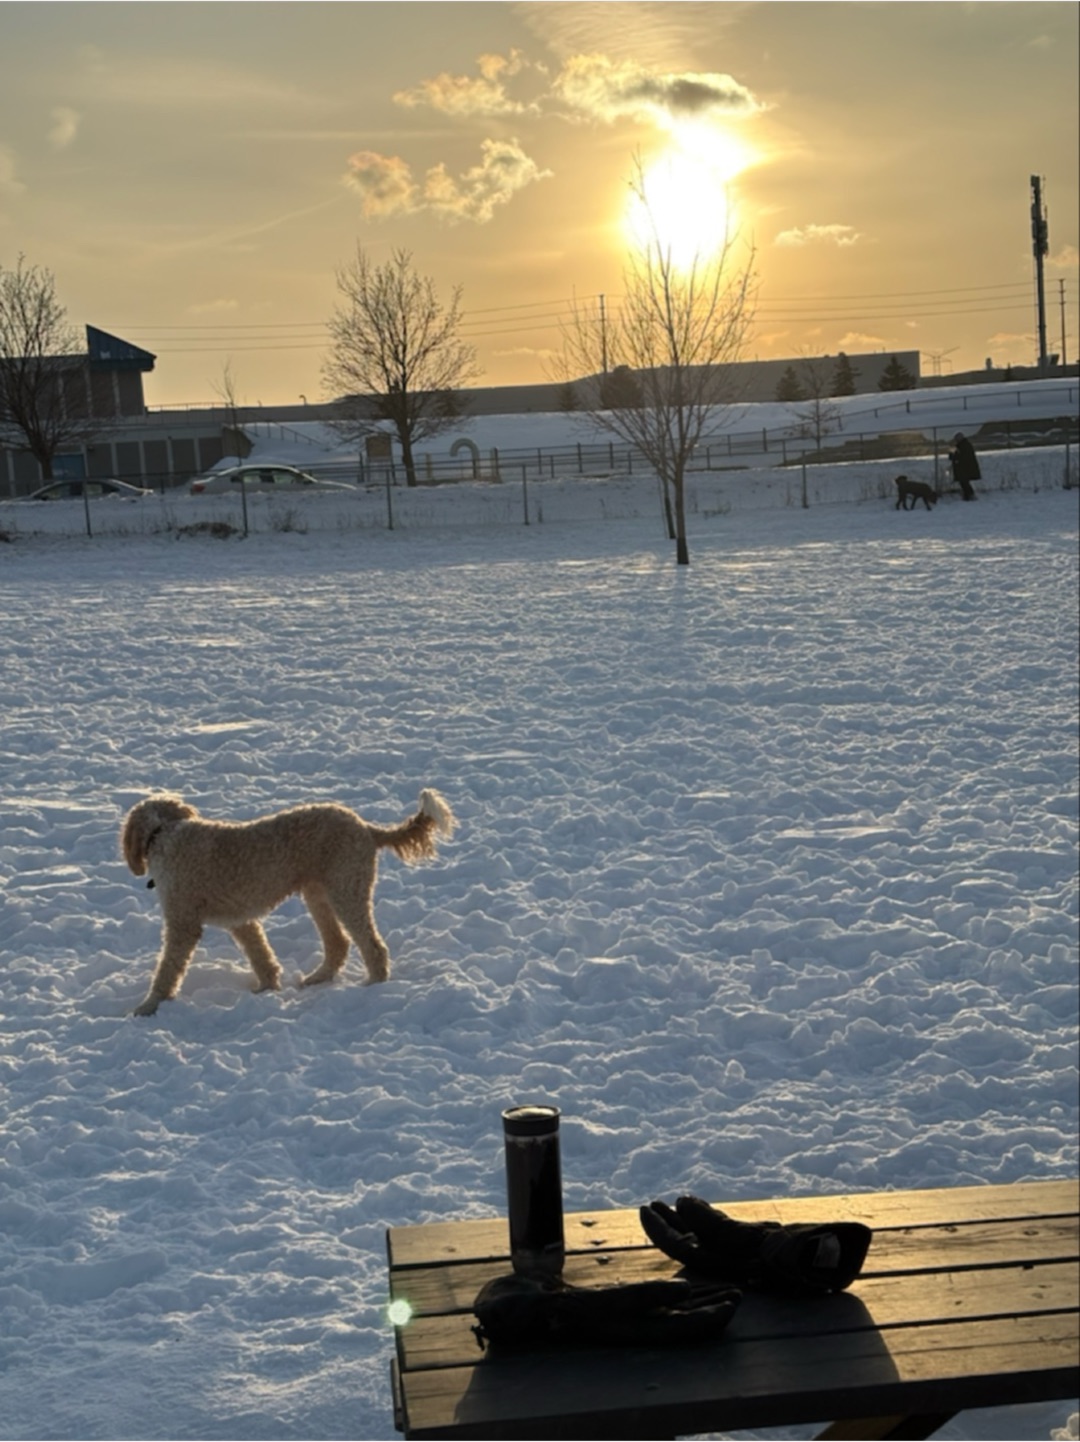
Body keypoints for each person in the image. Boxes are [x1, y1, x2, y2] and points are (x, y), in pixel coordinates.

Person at [949, 432, 980, 500]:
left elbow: (962, 456)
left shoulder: (964, 446)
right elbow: (952, 456)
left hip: (964, 467)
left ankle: (969, 495)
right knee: (963, 482)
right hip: (963, 467)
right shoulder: (961, 446)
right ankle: (968, 495)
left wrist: (955, 457)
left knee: (964, 482)